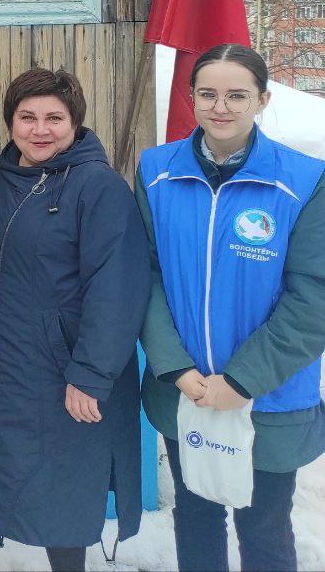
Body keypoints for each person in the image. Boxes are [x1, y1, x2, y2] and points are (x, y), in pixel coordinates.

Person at [137, 43, 325, 572]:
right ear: (192, 97)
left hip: (266, 394)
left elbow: (314, 295)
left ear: (262, 99)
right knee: (195, 518)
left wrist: (241, 379)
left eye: (237, 95)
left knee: (263, 528)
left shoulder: (306, 180)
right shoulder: (156, 171)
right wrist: (176, 367)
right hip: (188, 388)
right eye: (209, 93)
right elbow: (146, 276)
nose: (222, 107)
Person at [0, 68, 150, 572]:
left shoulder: (97, 187)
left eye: (54, 118)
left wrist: (91, 374)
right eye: (27, 117)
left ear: (75, 123)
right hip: (6, 361)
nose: (39, 129)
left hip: (64, 367)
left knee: (66, 489)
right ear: (10, 121)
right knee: (23, 479)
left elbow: (118, 287)